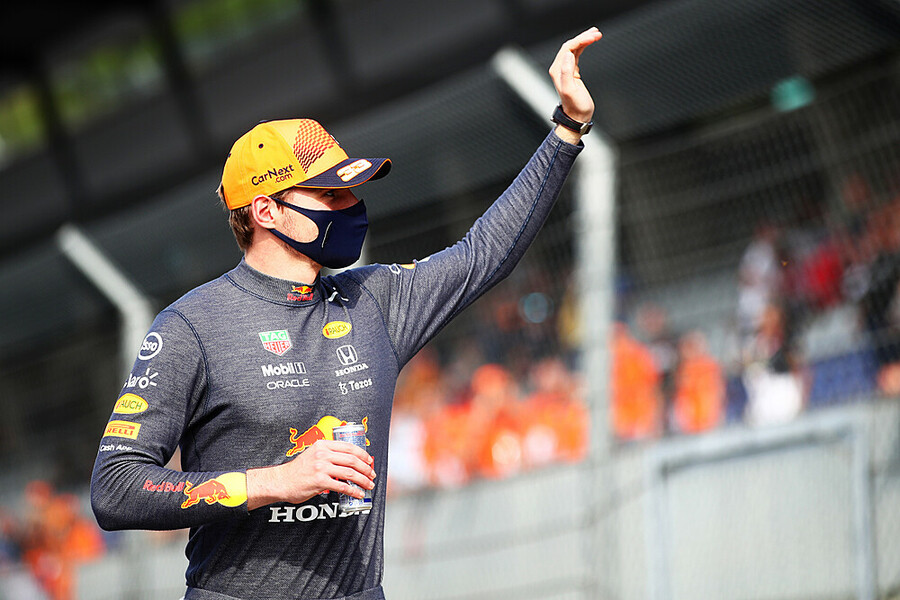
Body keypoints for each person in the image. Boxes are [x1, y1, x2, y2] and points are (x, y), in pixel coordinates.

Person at [90, 27, 603, 600]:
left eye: (352, 192)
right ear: (265, 211)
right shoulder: (192, 327)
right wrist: (275, 482)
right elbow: (115, 489)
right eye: (330, 195)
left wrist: (567, 127)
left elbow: (484, 254)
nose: (352, 207)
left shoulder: (373, 299)